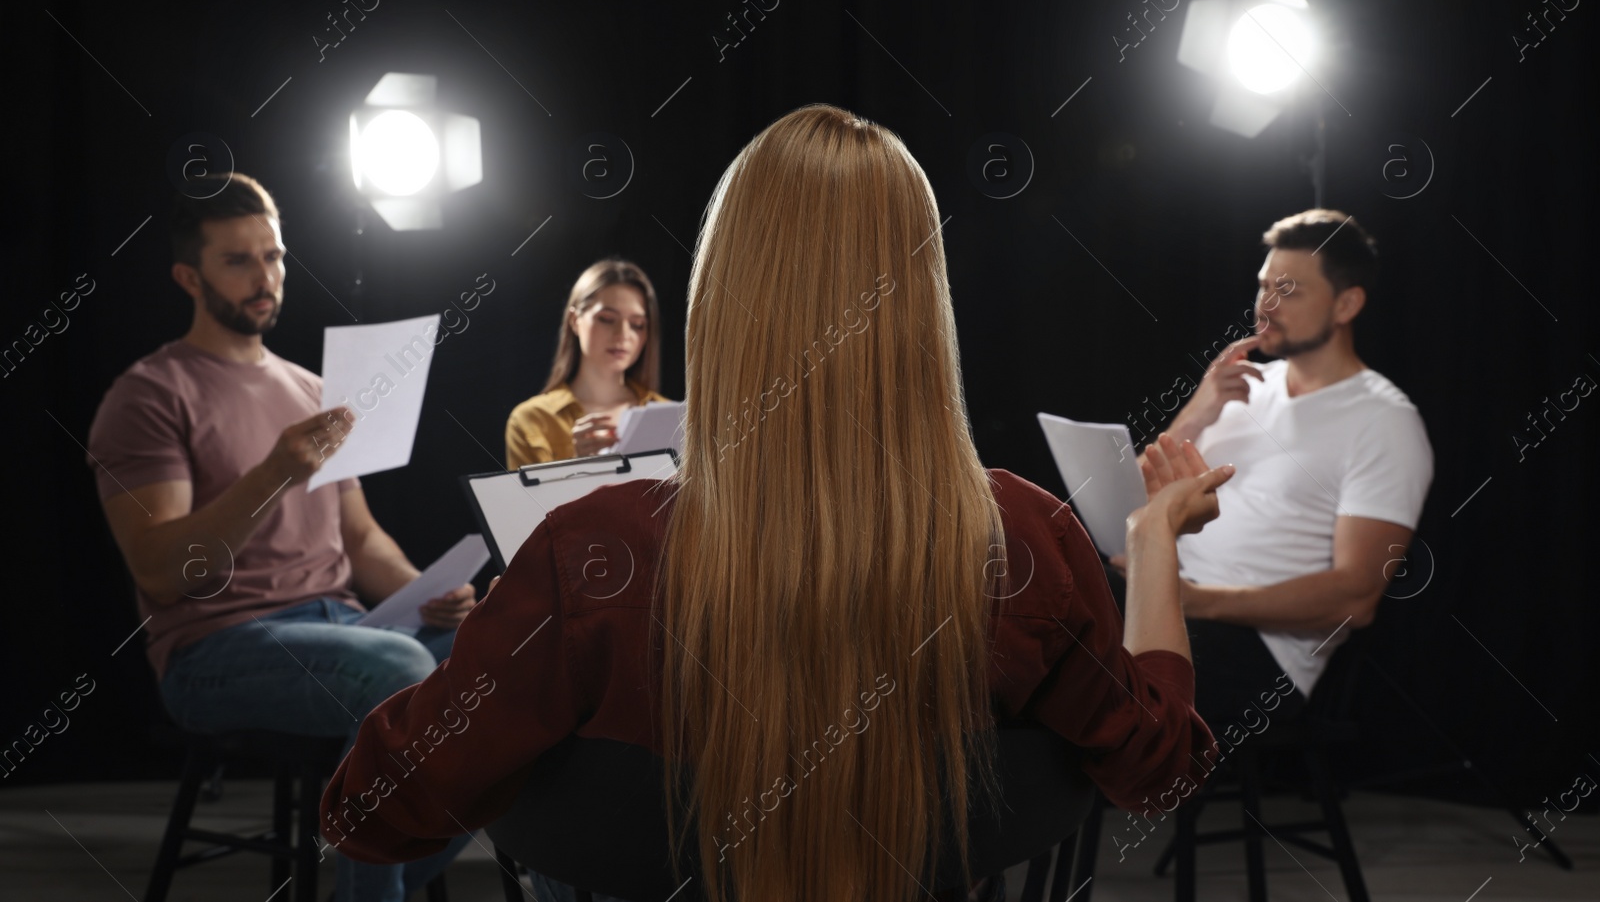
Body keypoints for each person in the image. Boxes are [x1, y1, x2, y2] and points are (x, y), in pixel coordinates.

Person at [322, 105, 1225, 902]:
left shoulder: (589, 555)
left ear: (722, 303)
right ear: (923, 307)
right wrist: (1152, 545)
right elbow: (1159, 768)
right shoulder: (1026, 541)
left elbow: (371, 810)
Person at [85, 173, 477, 902]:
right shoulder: (148, 394)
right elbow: (166, 572)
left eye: (274, 256)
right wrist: (273, 472)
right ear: (188, 276)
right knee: (395, 667)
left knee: (504, 664)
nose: (264, 277)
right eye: (239, 260)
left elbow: (360, 540)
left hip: (344, 628)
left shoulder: (310, 389)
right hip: (216, 649)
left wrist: (431, 590)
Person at [1113, 209, 1433, 727]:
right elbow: (1129, 506)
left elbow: (1356, 597)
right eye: (1264, 286)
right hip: (1171, 600)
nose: (1266, 304)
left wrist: (1193, 600)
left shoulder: (1384, 420)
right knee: (1027, 607)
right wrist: (1197, 410)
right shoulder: (1239, 386)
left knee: (1065, 660)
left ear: (1347, 303)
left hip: (1260, 657)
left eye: (1290, 290)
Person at [504, 258, 672, 468]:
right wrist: (579, 467)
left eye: (637, 325)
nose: (623, 335)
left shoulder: (671, 417)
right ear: (575, 321)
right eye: (607, 319)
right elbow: (528, 502)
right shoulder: (532, 420)